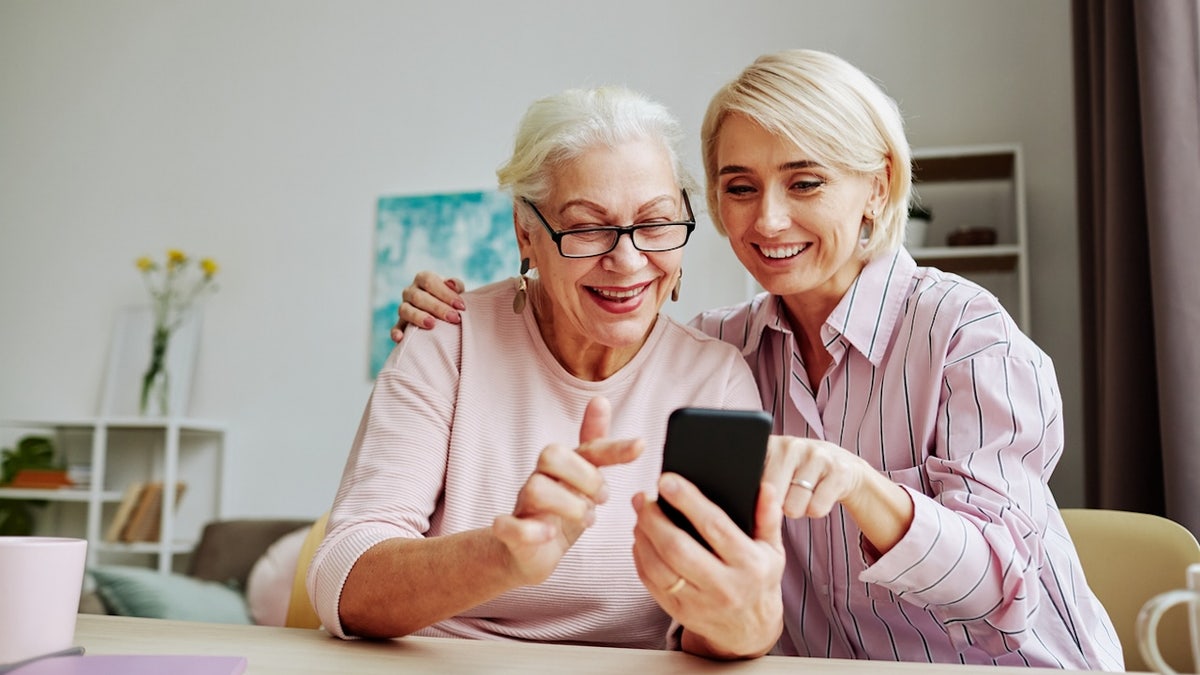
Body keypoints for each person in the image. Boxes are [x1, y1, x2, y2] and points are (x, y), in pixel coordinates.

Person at [390, 49, 1124, 669]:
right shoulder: (722, 350)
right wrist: (452, 307)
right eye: (739, 187)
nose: (766, 219)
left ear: (878, 188)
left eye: (804, 182)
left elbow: (1007, 580)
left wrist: (866, 487)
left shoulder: (966, 333)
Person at [306, 85, 768, 651]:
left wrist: (737, 617)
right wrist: (502, 556)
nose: (627, 261)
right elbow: (341, 580)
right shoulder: (448, 343)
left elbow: (725, 624)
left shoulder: (714, 377)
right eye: (587, 227)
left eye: (655, 223)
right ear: (527, 231)